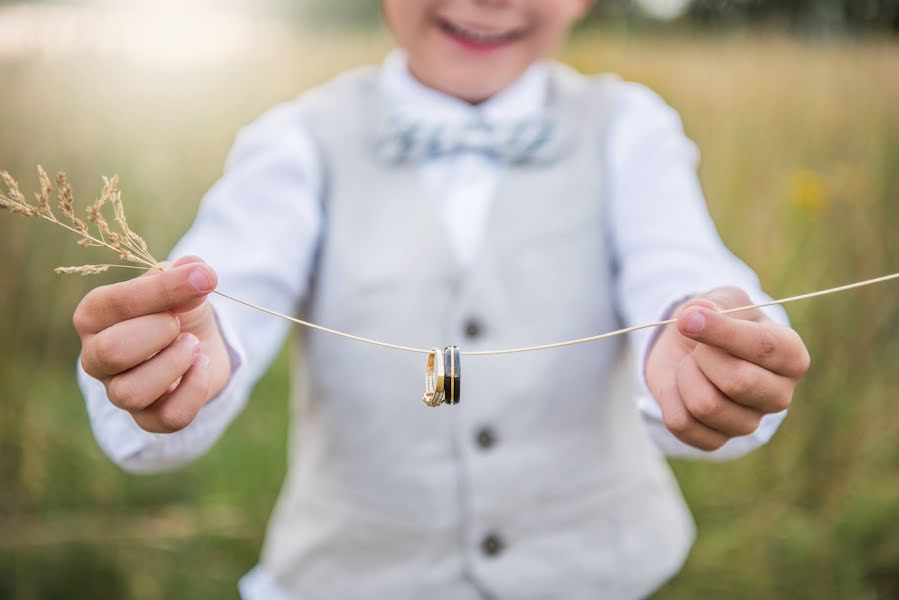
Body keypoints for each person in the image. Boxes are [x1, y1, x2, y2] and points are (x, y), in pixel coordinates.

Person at [72, 1, 811, 598]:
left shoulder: (630, 129)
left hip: (596, 575)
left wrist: (704, 334)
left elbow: (678, 258)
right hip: (350, 580)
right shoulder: (296, 140)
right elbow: (232, 279)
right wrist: (184, 349)